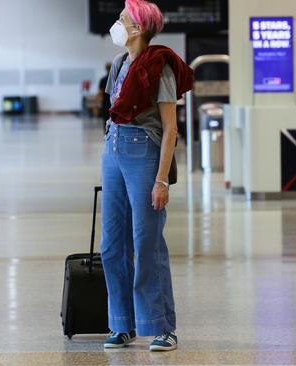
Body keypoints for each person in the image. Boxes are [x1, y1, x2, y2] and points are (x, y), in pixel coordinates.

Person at [101, 0, 193, 352]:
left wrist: (160, 181)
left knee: (147, 242)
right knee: (112, 244)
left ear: (138, 28)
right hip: (114, 145)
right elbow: (113, 109)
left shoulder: (161, 68)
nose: (117, 24)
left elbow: (170, 130)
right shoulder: (119, 63)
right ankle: (121, 323)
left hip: (144, 150)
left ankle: (162, 325)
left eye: (123, 19)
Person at [97, 63, 112, 131]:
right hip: (113, 103)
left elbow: (100, 93)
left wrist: (97, 104)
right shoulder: (115, 79)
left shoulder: (103, 80)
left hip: (105, 103)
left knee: (105, 120)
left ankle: (106, 134)